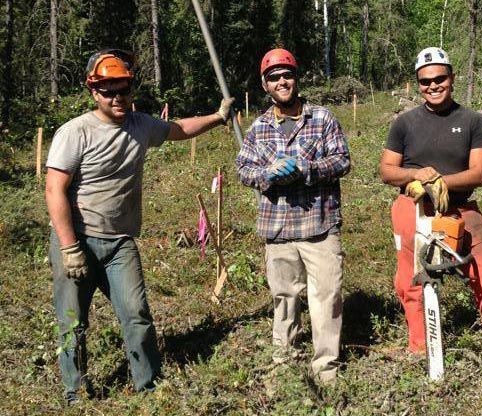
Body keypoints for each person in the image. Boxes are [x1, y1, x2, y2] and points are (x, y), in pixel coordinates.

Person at [45, 49, 234, 404]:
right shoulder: (75, 132)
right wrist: (69, 248)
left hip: (120, 243)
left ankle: (149, 386)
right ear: (93, 92)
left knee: (137, 315)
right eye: (108, 91)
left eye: (124, 90)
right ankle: (75, 391)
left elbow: (178, 129)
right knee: (72, 321)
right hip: (78, 240)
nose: (117, 98)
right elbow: (54, 189)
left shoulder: (140, 125)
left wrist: (219, 117)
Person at [379, 47, 482, 356]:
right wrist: (417, 179)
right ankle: (421, 347)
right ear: (418, 84)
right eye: (425, 81)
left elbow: (479, 173)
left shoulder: (473, 122)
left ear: (452, 78)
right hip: (414, 206)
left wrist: (442, 181)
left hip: (460, 207)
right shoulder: (404, 124)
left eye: (439, 78)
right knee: (412, 275)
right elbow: (386, 170)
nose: (432, 86)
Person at [235, 48, 350, 383]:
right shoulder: (258, 128)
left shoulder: (322, 119)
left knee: (327, 296)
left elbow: (342, 160)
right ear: (265, 85)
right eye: (274, 77)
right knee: (284, 298)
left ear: (296, 78)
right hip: (278, 228)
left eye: (287, 75)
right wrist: (267, 173)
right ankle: (283, 360)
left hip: (319, 225)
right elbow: (244, 169)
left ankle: (325, 366)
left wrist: (307, 168)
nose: (282, 81)